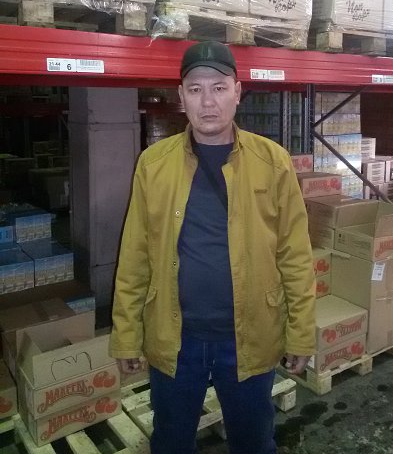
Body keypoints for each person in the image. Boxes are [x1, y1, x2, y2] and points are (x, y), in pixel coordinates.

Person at [109, 41, 316, 454]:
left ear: (237, 92)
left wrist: (301, 334)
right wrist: (127, 336)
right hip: (176, 339)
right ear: (181, 96)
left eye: (219, 88)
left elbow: (295, 256)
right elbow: (134, 257)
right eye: (196, 89)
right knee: (171, 441)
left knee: (253, 441)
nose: (208, 102)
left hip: (250, 337)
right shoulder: (154, 164)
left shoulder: (272, 162)